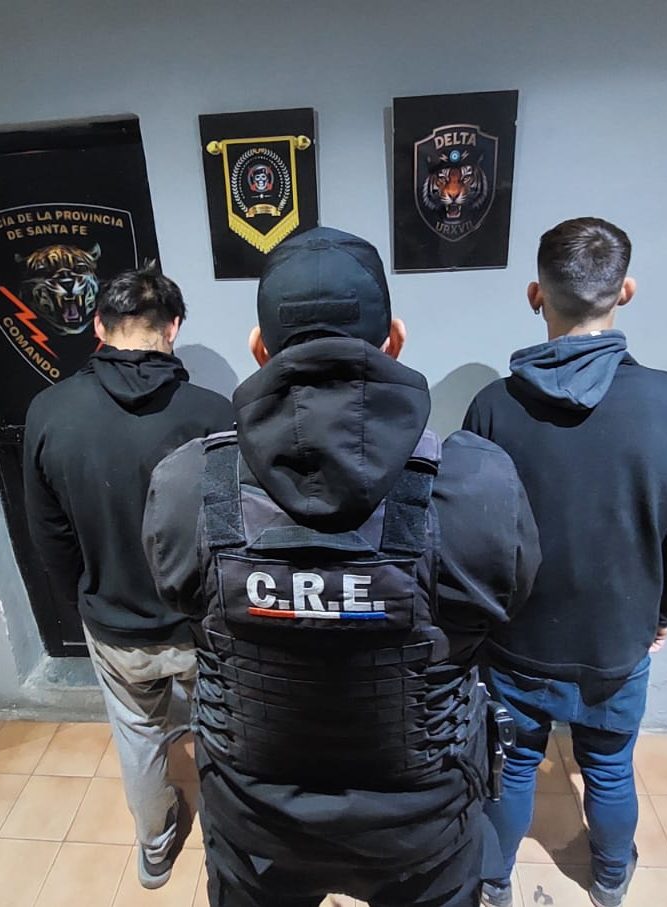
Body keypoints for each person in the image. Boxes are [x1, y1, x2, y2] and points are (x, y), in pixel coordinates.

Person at [142, 227, 539, 907]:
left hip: (258, 832)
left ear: (259, 348)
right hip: (420, 836)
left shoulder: (186, 486)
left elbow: (177, 598)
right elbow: (510, 603)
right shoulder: (479, 484)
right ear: (394, 340)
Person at [464, 218, 667, 907]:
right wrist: (660, 614)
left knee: (512, 763)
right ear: (624, 291)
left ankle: (493, 883)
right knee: (608, 764)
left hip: (517, 636)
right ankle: (608, 879)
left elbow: (469, 531)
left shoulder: (492, 408)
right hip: (616, 640)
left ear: (535, 295)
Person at [22, 262, 234, 888]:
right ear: (173, 327)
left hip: (113, 620)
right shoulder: (212, 413)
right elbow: (235, 529)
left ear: (98, 326)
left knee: (139, 737)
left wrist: (87, 603)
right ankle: (229, 848)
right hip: (202, 623)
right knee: (222, 733)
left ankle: (156, 846)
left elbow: (49, 534)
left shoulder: (49, 411)